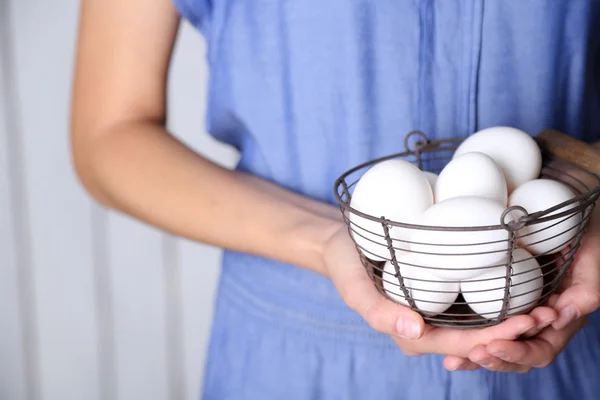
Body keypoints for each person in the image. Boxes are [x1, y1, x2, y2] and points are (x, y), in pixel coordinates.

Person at [70, 0, 600, 399]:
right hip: (296, 361)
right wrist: (327, 238)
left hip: (565, 328)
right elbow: (109, 135)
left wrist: (588, 204)